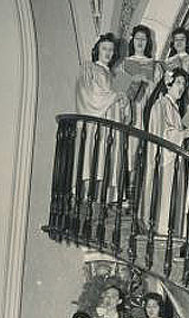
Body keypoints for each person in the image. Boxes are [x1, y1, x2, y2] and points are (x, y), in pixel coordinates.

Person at [76, 34, 131, 201]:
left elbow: (121, 104)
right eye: (104, 49)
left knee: (108, 160)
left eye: (111, 50)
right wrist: (115, 96)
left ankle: (103, 200)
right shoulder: (89, 68)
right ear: (97, 50)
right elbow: (90, 95)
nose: (108, 53)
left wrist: (125, 102)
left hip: (112, 125)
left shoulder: (114, 76)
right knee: (94, 160)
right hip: (96, 125)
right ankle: (88, 198)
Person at [144, 69, 189, 236]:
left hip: (175, 159)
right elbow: (160, 132)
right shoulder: (161, 104)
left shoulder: (174, 108)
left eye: (184, 84)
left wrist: (186, 132)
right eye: (179, 83)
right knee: (165, 196)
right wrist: (182, 134)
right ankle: (161, 230)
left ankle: (170, 231)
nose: (182, 87)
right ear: (169, 84)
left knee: (173, 196)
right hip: (165, 160)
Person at [118, 25, 163, 172]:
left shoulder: (154, 65)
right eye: (137, 38)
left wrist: (149, 82)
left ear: (148, 42)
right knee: (131, 142)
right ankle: (129, 173)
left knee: (147, 142)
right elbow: (118, 89)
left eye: (144, 39)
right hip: (131, 106)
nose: (140, 42)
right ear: (132, 41)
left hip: (147, 105)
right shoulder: (124, 63)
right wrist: (134, 80)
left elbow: (158, 89)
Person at [164, 27, 189, 102]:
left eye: (182, 39)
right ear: (173, 43)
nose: (179, 42)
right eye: (176, 40)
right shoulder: (168, 62)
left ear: (187, 42)